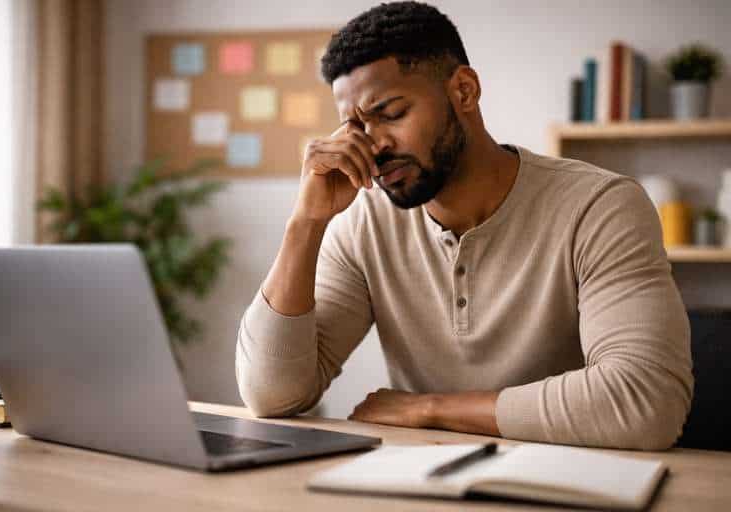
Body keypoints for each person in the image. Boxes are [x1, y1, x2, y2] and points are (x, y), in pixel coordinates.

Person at [235, 1, 693, 450]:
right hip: (422, 487)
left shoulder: (599, 207)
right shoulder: (362, 225)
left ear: (464, 91)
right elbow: (272, 396)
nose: (372, 147)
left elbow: (646, 400)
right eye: (355, 126)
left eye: (390, 114)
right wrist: (305, 223)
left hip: (573, 485)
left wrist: (432, 408)